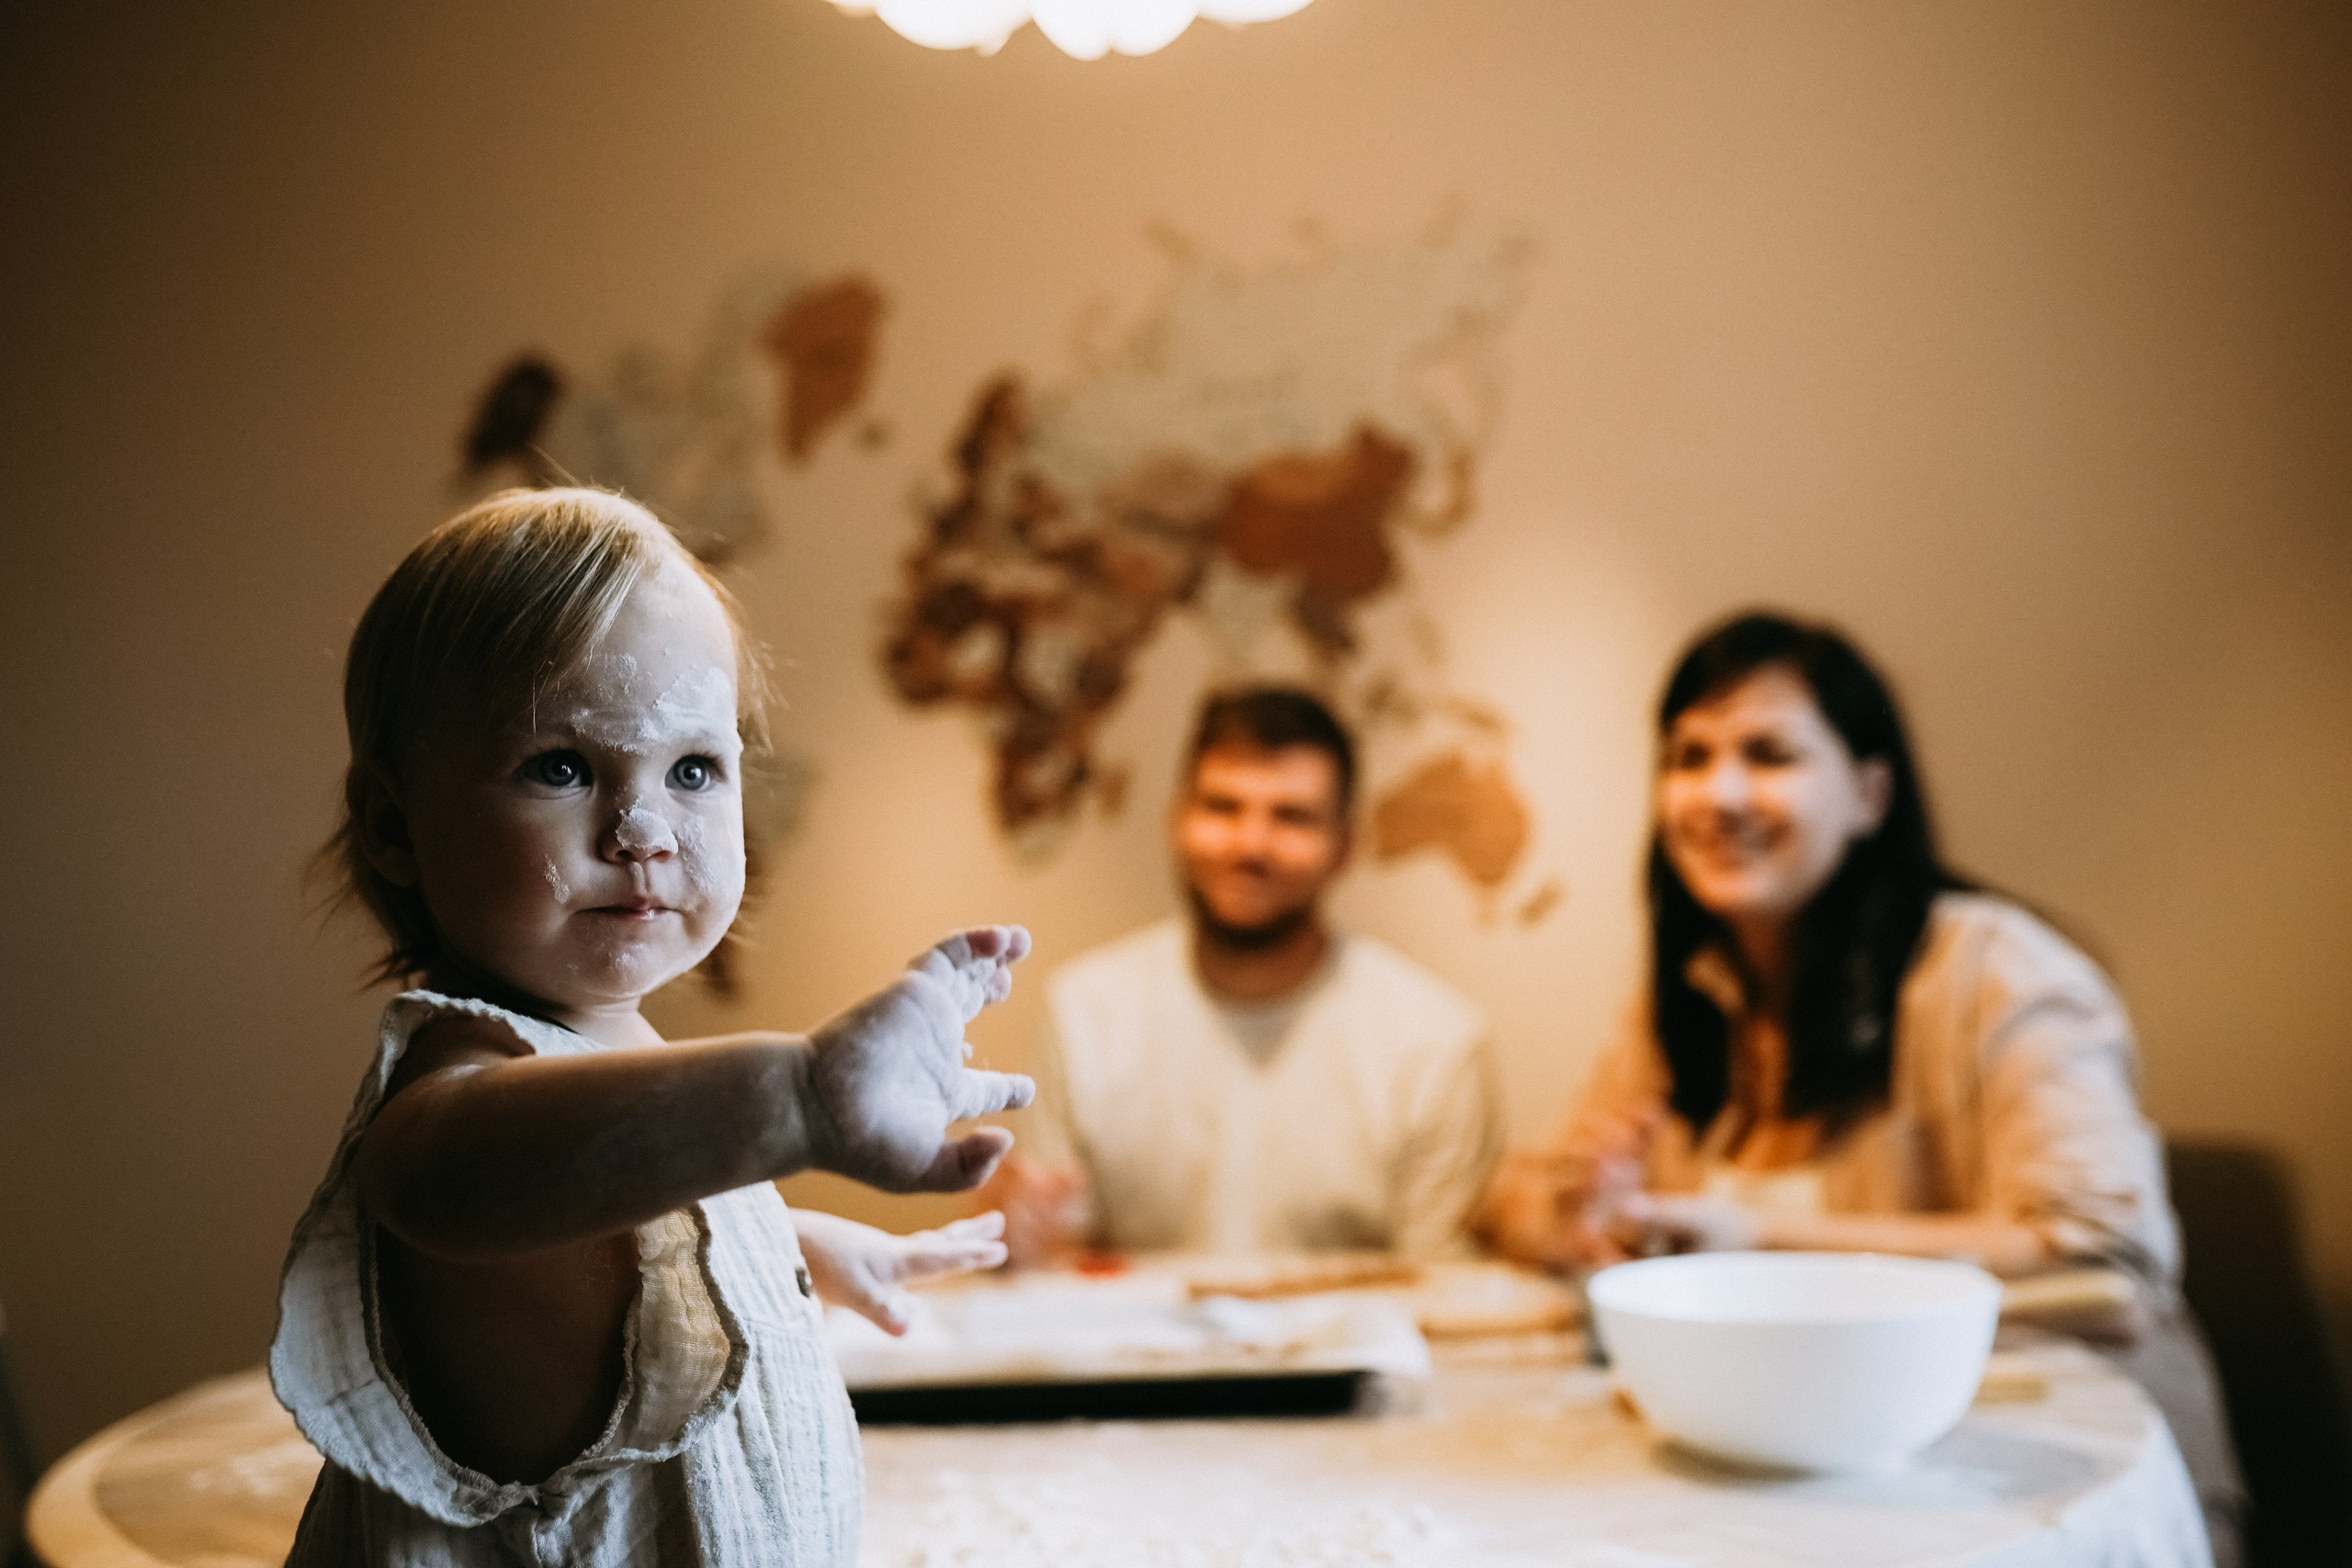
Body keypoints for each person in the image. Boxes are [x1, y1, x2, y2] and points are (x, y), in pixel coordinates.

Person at [271, 488, 1035, 1565]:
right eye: (562, 767)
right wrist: (796, 1097)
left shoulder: (635, 1097)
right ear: (396, 828)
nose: (642, 831)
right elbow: (457, 1180)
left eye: (692, 770)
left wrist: (791, 1247)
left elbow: (627, 1238)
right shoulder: (458, 1089)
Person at [1476, 610, 2244, 1563]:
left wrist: (1756, 1241)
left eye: (1768, 754)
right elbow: (1512, 1200)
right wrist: (1575, 1216)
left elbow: (2105, 1263)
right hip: (1798, 1461)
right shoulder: (1692, 997)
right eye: (1688, 757)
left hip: (2048, 1474)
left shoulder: (1998, 971)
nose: (1717, 794)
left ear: (1870, 794)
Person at [987, 686, 1501, 1263]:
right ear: (1177, 821)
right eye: (1222, 807)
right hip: (1122, 1326)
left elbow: (1441, 1289)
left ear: (1345, 847)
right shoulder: (1082, 1015)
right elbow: (1052, 1264)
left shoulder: (1437, 1043)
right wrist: (1017, 1239)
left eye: (1292, 817)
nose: (1251, 845)